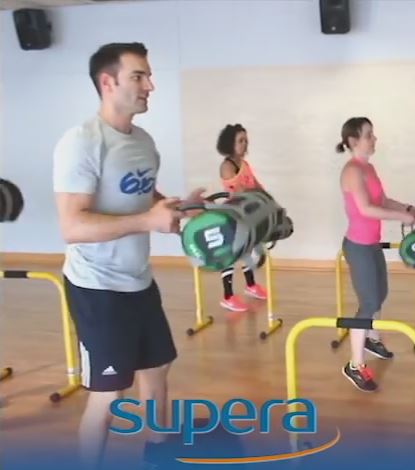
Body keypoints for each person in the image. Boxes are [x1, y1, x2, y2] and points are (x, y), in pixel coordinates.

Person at [52, 42, 205, 470]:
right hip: (97, 288)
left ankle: (158, 457)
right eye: (139, 76)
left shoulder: (143, 142)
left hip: (138, 280)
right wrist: (148, 221)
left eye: (149, 76)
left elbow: (145, 197)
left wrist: (180, 207)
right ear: (108, 82)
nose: (150, 85)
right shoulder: (82, 142)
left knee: (157, 373)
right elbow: (72, 226)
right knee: (109, 397)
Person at [337, 117, 415, 392]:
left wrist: (408, 209)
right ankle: (354, 365)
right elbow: (366, 209)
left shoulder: (368, 168)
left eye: (373, 134)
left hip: (372, 243)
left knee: (380, 293)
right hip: (358, 246)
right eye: (369, 135)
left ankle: (370, 339)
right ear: (353, 141)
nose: (374, 139)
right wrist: (402, 218)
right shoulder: (352, 171)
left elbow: (382, 201)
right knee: (369, 301)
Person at [216, 123, 268, 312]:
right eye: (240, 141)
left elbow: (256, 185)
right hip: (232, 216)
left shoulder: (245, 165)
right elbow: (240, 191)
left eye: (246, 140)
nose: (245, 144)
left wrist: (266, 197)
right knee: (230, 255)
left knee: (247, 250)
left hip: (246, 214)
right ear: (230, 143)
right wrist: (255, 194)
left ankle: (251, 285)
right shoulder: (227, 166)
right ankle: (228, 296)